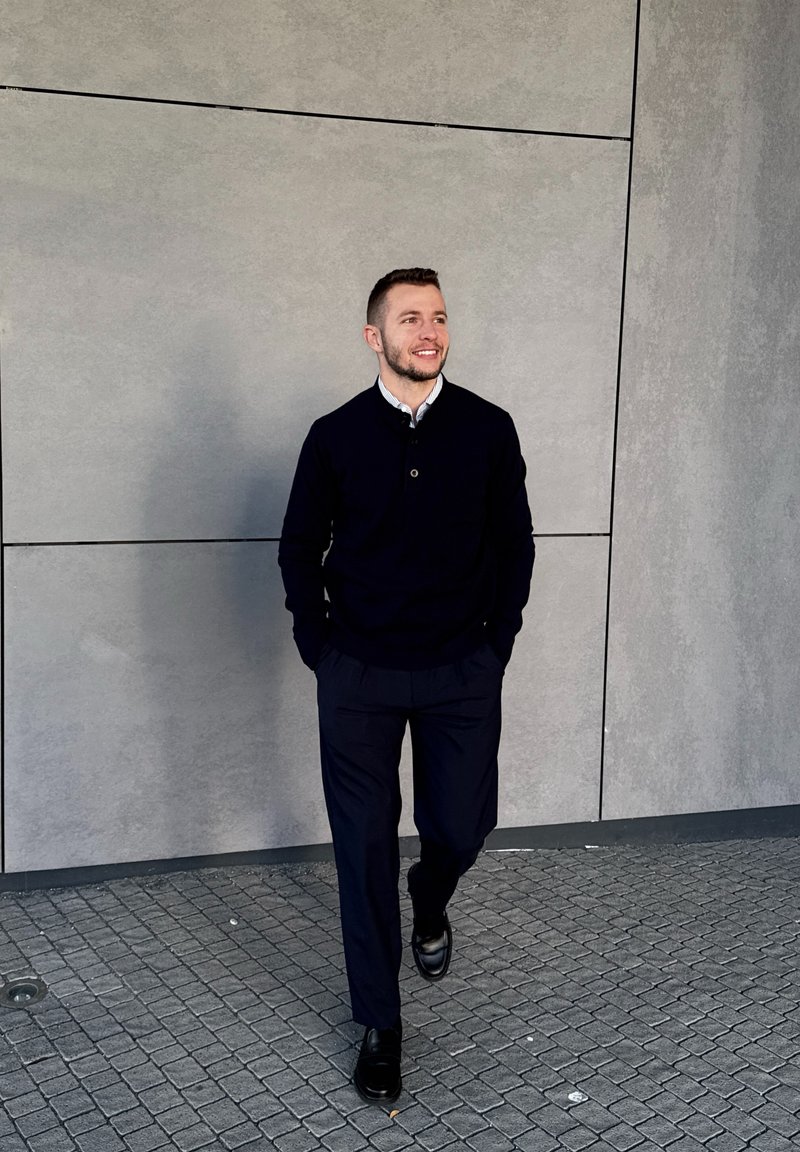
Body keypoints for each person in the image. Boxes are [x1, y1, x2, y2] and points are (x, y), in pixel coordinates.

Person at [278, 267, 534, 1103]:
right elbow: (297, 547)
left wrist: (497, 644)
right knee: (360, 850)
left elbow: (516, 545)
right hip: (358, 673)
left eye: (440, 317)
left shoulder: (488, 429)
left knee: (461, 825)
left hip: (462, 666)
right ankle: (381, 1026)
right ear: (373, 337)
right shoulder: (335, 435)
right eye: (410, 318)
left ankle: (432, 896)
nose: (429, 331)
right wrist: (321, 646)